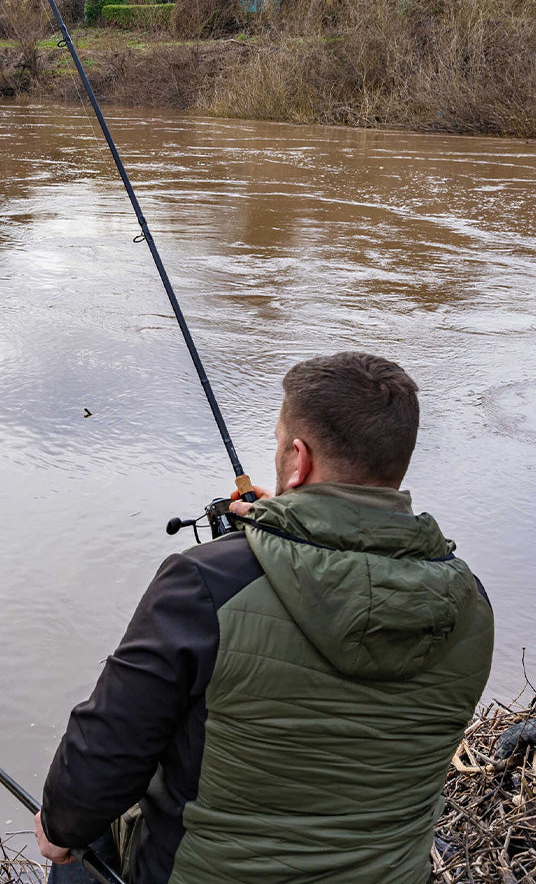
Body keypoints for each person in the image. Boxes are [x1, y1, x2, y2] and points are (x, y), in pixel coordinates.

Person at [34, 352, 494, 884]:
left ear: (297, 458)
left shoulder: (203, 585)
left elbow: (103, 754)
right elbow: (357, 588)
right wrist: (285, 526)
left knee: (80, 828)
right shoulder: (468, 601)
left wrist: (62, 824)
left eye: (280, 441)